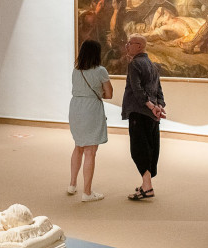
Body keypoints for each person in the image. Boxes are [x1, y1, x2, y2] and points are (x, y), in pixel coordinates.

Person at [68, 39, 113, 202]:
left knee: (78, 146)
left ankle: (72, 185)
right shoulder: (100, 71)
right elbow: (109, 94)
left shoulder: (76, 70)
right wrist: (98, 92)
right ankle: (87, 192)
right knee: (90, 151)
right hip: (91, 109)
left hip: (75, 107)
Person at [122, 34, 166, 201]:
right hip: (151, 115)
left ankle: (147, 187)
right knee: (150, 148)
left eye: (130, 43)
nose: (127, 45)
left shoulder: (134, 64)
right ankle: (146, 184)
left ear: (139, 46)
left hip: (139, 112)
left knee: (139, 149)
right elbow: (159, 90)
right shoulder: (153, 65)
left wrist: (151, 106)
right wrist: (159, 106)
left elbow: (137, 89)